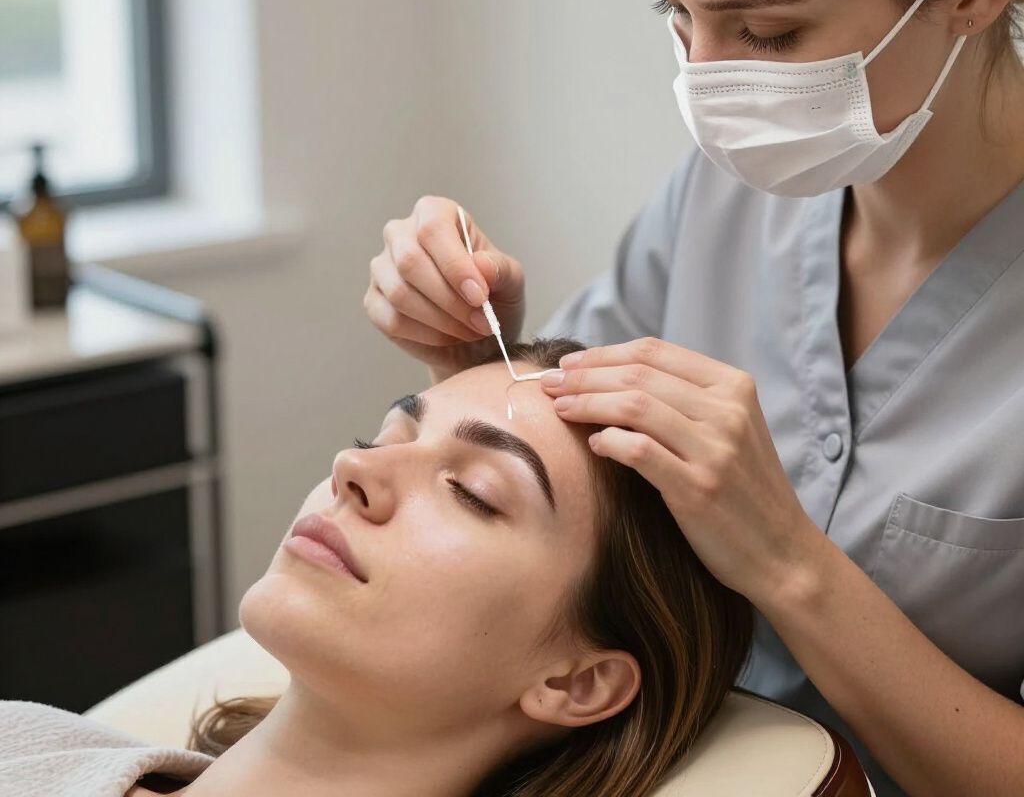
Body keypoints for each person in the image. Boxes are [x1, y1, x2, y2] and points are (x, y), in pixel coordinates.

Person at [363, 0, 1024, 795]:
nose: (707, 85)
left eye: (765, 34)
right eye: (678, 12)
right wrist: (474, 356)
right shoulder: (728, 196)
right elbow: (585, 485)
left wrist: (788, 562)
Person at [0, 338, 753, 797]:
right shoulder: (23, 743)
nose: (354, 465)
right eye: (384, 435)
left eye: (472, 493)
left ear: (574, 681)